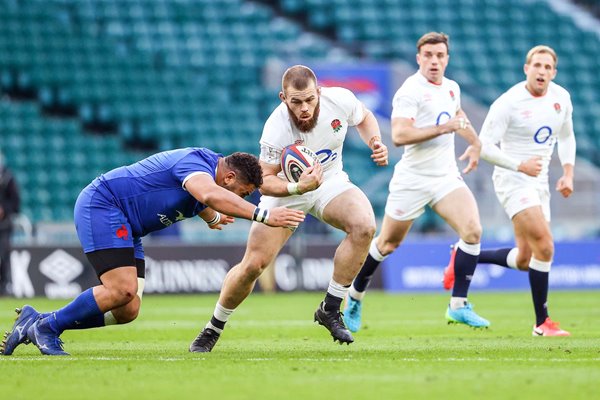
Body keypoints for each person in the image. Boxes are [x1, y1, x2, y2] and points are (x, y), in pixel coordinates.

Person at [0, 148, 305, 356]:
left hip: (128, 225)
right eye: (243, 192)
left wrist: (210, 216)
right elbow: (208, 193)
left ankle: (37, 321)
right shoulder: (197, 164)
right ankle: (45, 327)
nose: (242, 198)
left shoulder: (210, 174)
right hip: (105, 205)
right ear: (229, 178)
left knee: (127, 310)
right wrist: (263, 216)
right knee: (121, 289)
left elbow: (199, 197)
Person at [189, 65, 388, 352]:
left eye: (309, 99)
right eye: (296, 102)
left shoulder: (340, 99)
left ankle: (330, 307)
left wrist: (375, 141)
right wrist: (297, 188)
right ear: (283, 97)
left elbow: (365, 116)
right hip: (287, 191)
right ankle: (213, 327)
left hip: (329, 180)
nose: (304, 108)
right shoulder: (276, 127)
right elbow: (264, 181)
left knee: (365, 226)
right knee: (252, 266)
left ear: (319, 92)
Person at [343, 32, 490, 333]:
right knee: (387, 243)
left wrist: (474, 143)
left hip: (445, 176)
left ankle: (458, 306)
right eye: (429, 56)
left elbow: (457, 114)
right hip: (412, 180)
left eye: (440, 56)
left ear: (447, 58)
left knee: (473, 231)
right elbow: (399, 135)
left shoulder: (451, 88)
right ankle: (355, 296)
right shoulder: (410, 91)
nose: (434, 61)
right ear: (418, 58)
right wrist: (443, 127)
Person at [443, 45, 575, 336]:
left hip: (539, 181)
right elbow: (483, 146)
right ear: (526, 68)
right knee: (546, 246)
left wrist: (567, 172)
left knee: (527, 259)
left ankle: (463, 256)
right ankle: (542, 323)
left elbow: (566, 135)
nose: (541, 71)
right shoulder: (509, 102)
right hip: (512, 178)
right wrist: (519, 165)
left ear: (554, 72)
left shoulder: (561, 98)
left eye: (547, 67)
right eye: (536, 65)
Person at [0, 151, 20, 295]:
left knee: (4, 255)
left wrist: (4, 211)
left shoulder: (7, 177)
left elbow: (16, 202)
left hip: (4, 226)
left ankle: (5, 286)